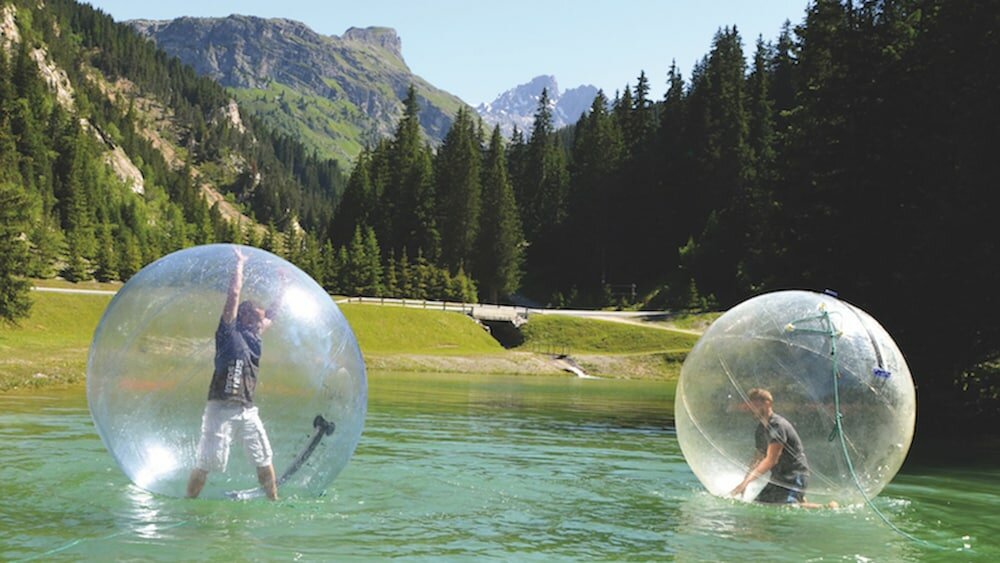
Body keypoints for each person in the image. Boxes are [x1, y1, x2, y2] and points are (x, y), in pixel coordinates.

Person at [186, 247, 280, 500]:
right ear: (246, 318)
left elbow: (273, 314)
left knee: (264, 458)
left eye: (262, 321)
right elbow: (234, 294)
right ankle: (189, 501)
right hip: (219, 408)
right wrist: (240, 265)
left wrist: (284, 284)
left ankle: (274, 501)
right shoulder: (228, 332)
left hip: (247, 409)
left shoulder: (254, 336)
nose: (263, 323)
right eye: (258, 319)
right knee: (206, 462)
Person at [729, 388, 819, 506]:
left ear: (767, 404)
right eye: (750, 406)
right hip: (778, 476)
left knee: (788, 507)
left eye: (755, 405)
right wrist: (744, 482)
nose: (751, 410)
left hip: (794, 474)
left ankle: (828, 507)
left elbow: (771, 460)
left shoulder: (777, 426)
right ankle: (800, 499)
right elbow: (757, 459)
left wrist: (746, 483)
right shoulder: (761, 430)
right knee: (759, 505)